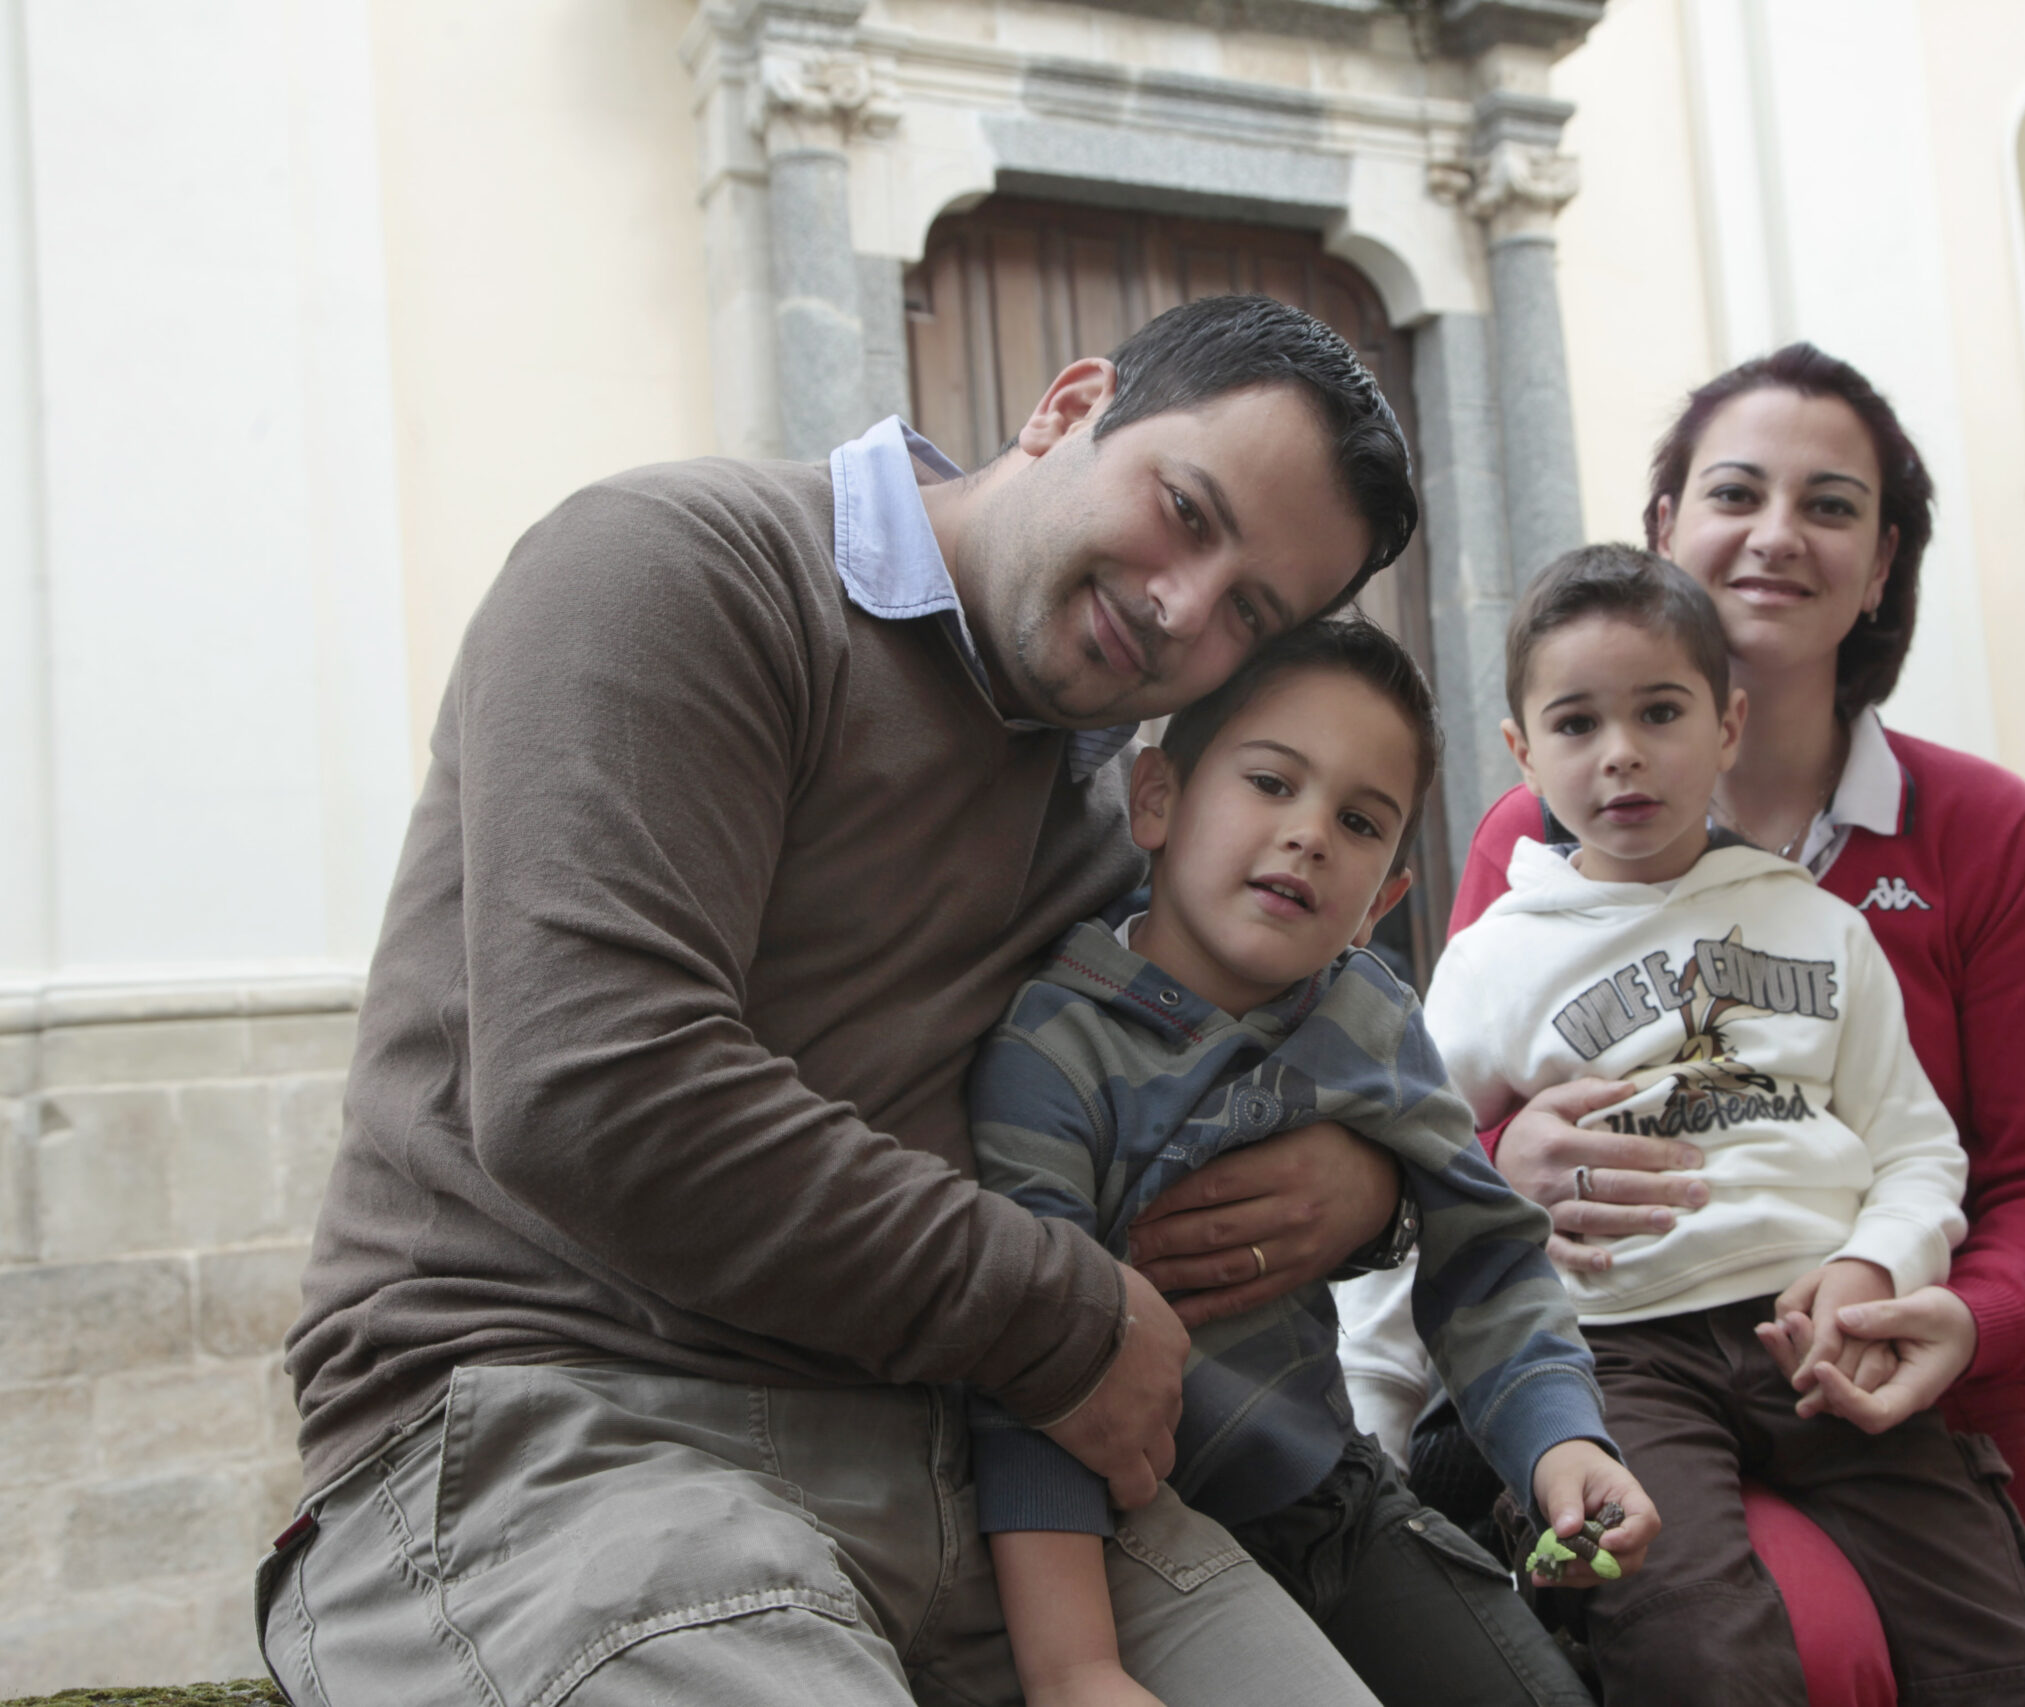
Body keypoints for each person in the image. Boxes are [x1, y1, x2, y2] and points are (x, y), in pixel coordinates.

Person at [262, 296, 1439, 1707]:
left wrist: (1376, 1183)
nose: (1185, 605)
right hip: (553, 1415)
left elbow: (1295, 1023)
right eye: (1183, 509)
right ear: (1068, 406)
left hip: (981, 1472)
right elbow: (595, 1086)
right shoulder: (675, 564)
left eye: (1253, 609)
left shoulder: (1112, 799)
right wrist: (1058, 1313)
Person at [1402, 344, 2025, 1707]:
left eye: (1830, 503)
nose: (1777, 531)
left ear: (1882, 563)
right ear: (1664, 531)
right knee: (1804, 1649)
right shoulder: (1530, 854)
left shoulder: (1978, 828)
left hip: (1953, 1377)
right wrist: (1505, 1160)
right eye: (1734, 491)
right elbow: (1431, 1125)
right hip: (1638, 1361)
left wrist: (1953, 1310)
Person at [1342, 545, 2025, 1706]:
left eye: (1660, 712)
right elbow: (1415, 1190)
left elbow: (1915, 1149)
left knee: (1996, 1650)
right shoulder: (1493, 962)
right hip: (1609, 1354)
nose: (1622, 752)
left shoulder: (1821, 926)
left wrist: (1875, 1262)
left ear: (1727, 725)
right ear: (1522, 751)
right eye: (1577, 724)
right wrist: (1367, 1432)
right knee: (1692, 1642)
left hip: (1821, 1339)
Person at [969, 616, 1655, 1707]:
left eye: (1357, 819)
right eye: (1270, 782)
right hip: (1130, 1521)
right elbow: (1027, 1363)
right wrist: (1074, 1666)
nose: (1308, 835)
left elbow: (1485, 1252)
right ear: (1156, 799)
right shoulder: (1053, 1052)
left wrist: (1559, 1441)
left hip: (1333, 1496)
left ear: (1382, 899)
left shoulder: (1368, 1012)